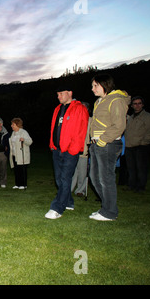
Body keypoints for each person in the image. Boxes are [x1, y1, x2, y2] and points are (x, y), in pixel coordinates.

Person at [89, 74, 130, 221]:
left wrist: (103, 140)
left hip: (107, 144)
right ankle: (106, 207)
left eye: (95, 85)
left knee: (106, 178)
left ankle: (110, 212)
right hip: (96, 144)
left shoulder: (116, 100)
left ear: (104, 84)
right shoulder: (99, 101)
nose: (92, 88)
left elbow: (119, 125)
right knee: (94, 178)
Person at [45, 86, 89, 219]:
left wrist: (74, 149)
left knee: (65, 178)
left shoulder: (79, 108)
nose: (58, 96)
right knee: (59, 179)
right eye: (57, 94)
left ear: (70, 93)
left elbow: (82, 131)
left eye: (61, 93)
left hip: (70, 151)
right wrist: (52, 144)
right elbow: (54, 127)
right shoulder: (58, 109)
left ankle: (57, 208)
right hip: (56, 149)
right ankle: (69, 202)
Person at [124, 96, 150, 193]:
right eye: (135, 104)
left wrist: (143, 142)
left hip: (141, 146)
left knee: (141, 167)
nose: (137, 105)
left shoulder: (148, 117)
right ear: (132, 106)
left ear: (142, 105)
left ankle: (141, 186)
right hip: (129, 146)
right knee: (131, 167)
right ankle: (131, 185)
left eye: (139, 103)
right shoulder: (131, 117)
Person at [71, 102, 92, 198]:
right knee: (72, 171)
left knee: (83, 172)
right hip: (73, 149)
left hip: (84, 150)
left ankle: (81, 190)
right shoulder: (75, 120)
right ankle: (69, 188)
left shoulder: (91, 121)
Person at [9, 118, 33, 190]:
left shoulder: (23, 132)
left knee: (22, 170)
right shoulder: (13, 133)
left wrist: (24, 140)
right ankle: (17, 184)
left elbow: (30, 141)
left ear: (17, 125)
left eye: (13, 124)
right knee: (16, 170)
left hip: (22, 155)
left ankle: (23, 184)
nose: (11, 126)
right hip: (14, 154)